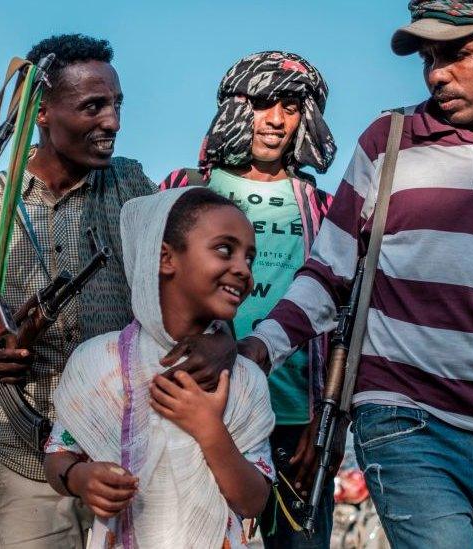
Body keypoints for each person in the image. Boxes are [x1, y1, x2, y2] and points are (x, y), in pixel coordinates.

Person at [239, 1, 473, 547]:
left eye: (457, 54)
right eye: (428, 57)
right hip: (405, 422)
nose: (436, 73)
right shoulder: (391, 141)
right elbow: (330, 274)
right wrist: (258, 351)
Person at [0, 34, 235, 548]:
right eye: (93, 106)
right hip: (26, 453)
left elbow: (191, 278)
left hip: (126, 453)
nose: (113, 121)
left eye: (116, 104)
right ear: (42, 112)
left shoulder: (130, 185)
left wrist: (224, 337)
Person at [160, 51, 337, 548]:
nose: (276, 120)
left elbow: (338, 314)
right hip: (197, 406)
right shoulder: (184, 190)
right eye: (263, 103)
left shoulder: (323, 208)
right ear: (237, 109)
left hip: (296, 425)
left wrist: (325, 423)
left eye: (291, 106)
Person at [44, 187, 274, 548]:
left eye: (250, 258)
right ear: (165, 257)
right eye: (225, 249)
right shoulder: (99, 363)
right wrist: (79, 477)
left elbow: (253, 501)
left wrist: (208, 429)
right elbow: (58, 455)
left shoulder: (244, 380)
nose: (243, 269)